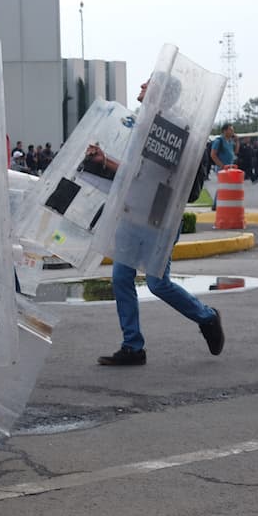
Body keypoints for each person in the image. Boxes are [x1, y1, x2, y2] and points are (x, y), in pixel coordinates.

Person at [88, 77, 225, 366]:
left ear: (161, 93)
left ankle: (207, 316)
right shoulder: (144, 123)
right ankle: (132, 346)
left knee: (157, 283)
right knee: (121, 278)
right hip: (133, 212)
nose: (140, 86)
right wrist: (104, 161)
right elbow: (135, 171)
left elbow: (167, 175)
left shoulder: (174, 128)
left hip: (159, 217)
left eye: (147, 84)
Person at [209, 123, 237, 209]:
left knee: (226, 186)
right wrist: (221, 165)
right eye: (230, 130)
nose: (232, 132)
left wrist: (237, 141)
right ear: (225, 131)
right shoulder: (219, 141)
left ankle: (221, 203)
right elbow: (213, 155)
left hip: (230, 167)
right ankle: (216, 204)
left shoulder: (231, 142)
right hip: (222, 167)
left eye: (233, 130)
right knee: (223, 185)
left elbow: (234, 152)